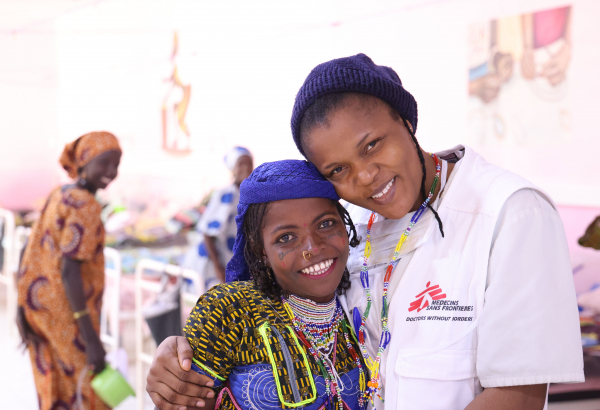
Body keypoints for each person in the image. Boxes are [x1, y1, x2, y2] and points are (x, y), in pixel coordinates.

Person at [147, 54, 583, 410]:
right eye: (339, 170)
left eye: (372, 145)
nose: (368, 177)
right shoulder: (356, 229)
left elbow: (518, 395)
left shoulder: (510, 214)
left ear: (406, 122)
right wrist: (179, 356)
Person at [151, 160, 366, 410]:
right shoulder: (230, 311)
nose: (313, 248)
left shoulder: (362, 299)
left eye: (326, 224)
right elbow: (179, 401)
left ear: (344, 223)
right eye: (286, 237)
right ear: (260, 250)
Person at [17, 132, 122, 410]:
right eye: (105, 163)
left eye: (117, 164)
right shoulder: (86, 204)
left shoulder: (60, 194)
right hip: (68, 316)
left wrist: (21, 306)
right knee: (87, 394)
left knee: (54, 385)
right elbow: (69, 270)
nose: (112, 172)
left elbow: (29, 246)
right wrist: (91, 339)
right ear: (85, 162)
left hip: (40, 309)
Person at [183, 146, 253, 287]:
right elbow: (207, 232)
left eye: (249, 163)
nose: (246, 167)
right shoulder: (225, 195)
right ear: (233, 168)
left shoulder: (251, 196)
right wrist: (217, 265)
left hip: (233, 258)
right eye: (241, 164)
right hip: (214, 258)